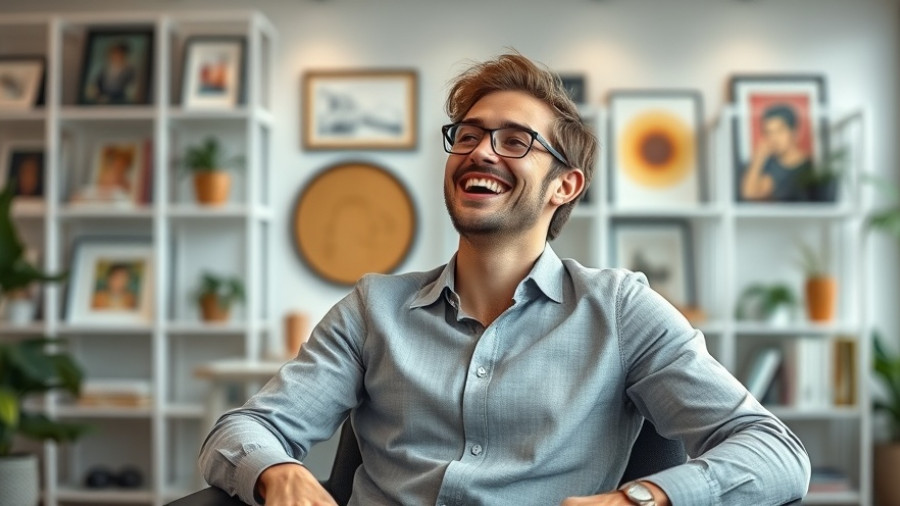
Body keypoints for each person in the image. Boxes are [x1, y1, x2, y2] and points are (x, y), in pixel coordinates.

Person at [200, 53, 810, 506]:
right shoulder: (371, 308)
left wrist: (641, 499)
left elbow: (776, 453)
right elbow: (242, 429)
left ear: (565, 185)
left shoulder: (620, 309)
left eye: (515, 141)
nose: (481, 152)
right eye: (467, 135)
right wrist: (274, 472)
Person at [740, 103, 814, 202]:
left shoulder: (809, 167)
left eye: (780, 131)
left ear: (794, 132)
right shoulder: (771, 165)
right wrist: (759, 158)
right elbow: (750, 193)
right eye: (769, 133)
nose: (774, 138)